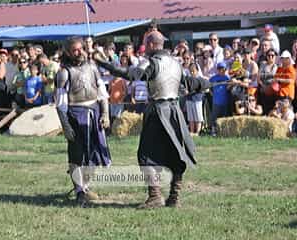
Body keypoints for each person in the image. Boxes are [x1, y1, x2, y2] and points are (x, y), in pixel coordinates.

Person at [94, 32, 208, 209]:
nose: (145, 48)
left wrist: (103, 63)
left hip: (157, 112)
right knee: (176, 153)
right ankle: (174, 197)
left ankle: (155, 196)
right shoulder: (175, 63)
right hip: (175, 112)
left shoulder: (152, 62)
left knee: (147, 154)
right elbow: (189, 83)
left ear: (153, 45)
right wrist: (203, 83)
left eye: (146, 44)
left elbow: (129, 74)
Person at [55, 37, 111, 206]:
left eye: (81, 49)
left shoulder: (93, 68)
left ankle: (86, 187)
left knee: (94, 154)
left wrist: (106, 114)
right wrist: (66, 126)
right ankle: (79, 191)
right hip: (76, 116)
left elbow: (102, 93)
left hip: (94, 114)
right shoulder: (64, 72)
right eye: (75, 50)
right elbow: (60, 104)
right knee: (77, 155)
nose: (79, 52)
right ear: (68, 52)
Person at [210, 62, 231, 136]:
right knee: (214, 117)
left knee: (223, 117)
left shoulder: (227, 78)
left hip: (225, 101)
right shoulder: (213, 78)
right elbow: (209, 86)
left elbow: (229, 88)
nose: (221, 70)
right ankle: (213, 131)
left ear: (225, 69)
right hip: (216, 101)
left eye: (223, 69)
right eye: (219, 69)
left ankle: (222, 132)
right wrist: (211, 92)